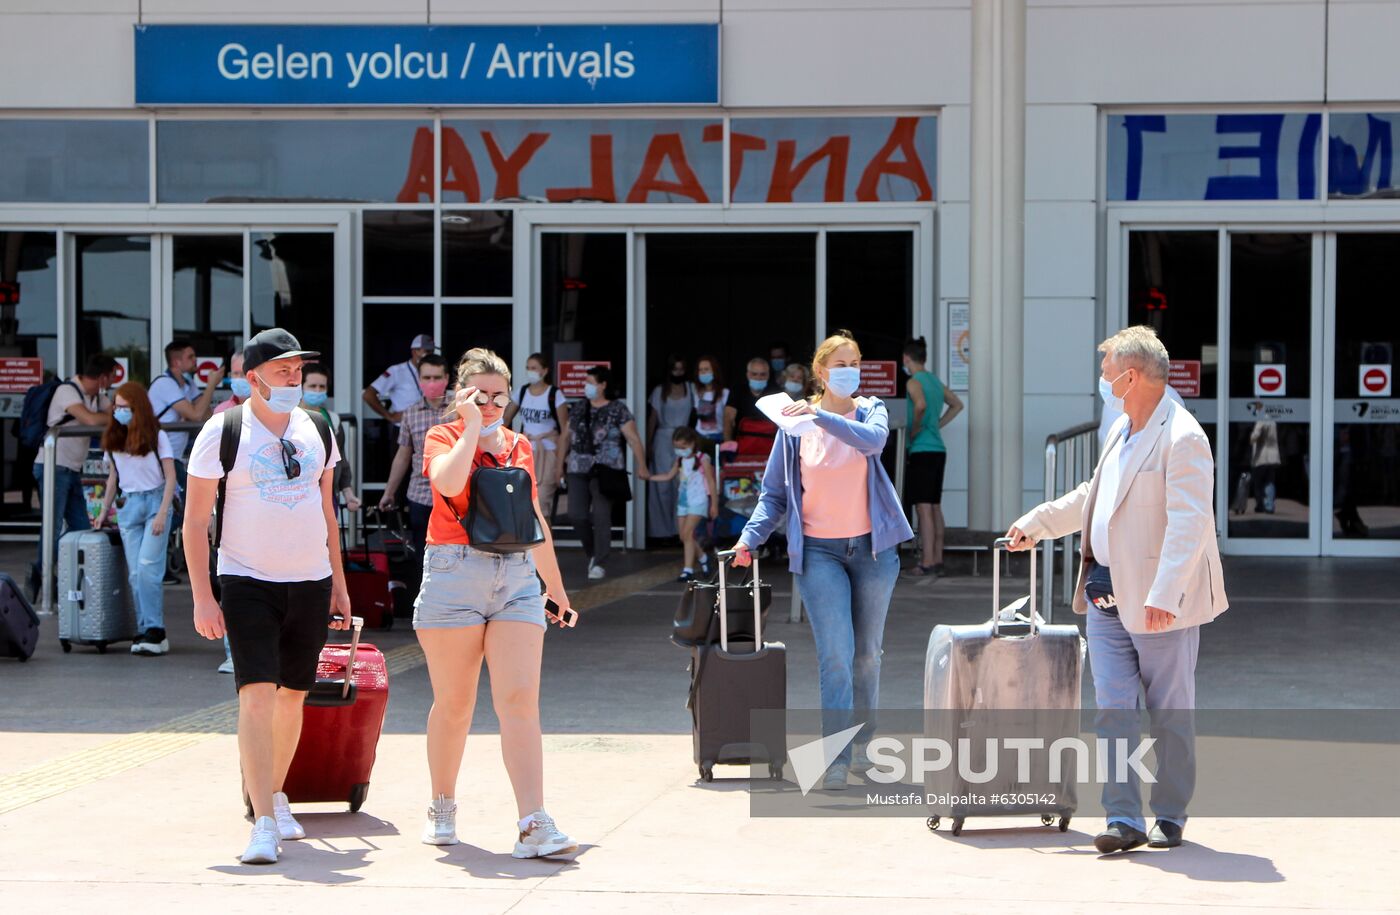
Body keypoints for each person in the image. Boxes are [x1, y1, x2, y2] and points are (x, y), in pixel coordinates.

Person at [1005, 325, 1228, 855]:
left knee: (1169, 713)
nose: (1102, 381)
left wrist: (1165, 594)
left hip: (1158, 605)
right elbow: (1094, 495)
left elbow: (1190, 524)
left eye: (1107, 372)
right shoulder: (1121, 429)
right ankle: (1122, 817)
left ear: (1131, 377)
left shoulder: (1183, 437)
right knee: (1114, 711)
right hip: (1105, 597)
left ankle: (1169, 815)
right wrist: (1038, 523)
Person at [183, 328, 352, 866]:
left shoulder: (318, 427)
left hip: (310, 580)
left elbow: (328, 512)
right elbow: (194, 522)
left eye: (298, 370)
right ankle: (261, 821)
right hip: (246, 580)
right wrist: (203, 597)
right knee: (256, 694)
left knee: (293, 696)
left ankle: (275, 795)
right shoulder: (223, 430)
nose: (294, 379)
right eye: (283, 371)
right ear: (252, 378)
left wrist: (340, 583)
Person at [728, 332, 913, 791]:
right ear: (821, 372)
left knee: (866, 656)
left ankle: (863, 745)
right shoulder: (793, 424)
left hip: (873, 551)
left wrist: (819, 417)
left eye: (855, 363)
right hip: (818, 552)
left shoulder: (870, 410)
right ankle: (836, 757)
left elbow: (873, 442)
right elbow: (774, 494)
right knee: (835, 656)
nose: (850, 371)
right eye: (840, 364)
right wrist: (749, 539)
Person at [414, 347, 578, 857]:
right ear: (460, 395)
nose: (489, 404)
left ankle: (533, 822)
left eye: (498, 396)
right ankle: (442, 804)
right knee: (455, 704)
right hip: (454, 573)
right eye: (478, 395)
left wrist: (556, 588)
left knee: (519, 700)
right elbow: (447, 482)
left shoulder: (519, 445)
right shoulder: (443, 436)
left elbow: (533, 518)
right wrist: (470, 428)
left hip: (516, 578)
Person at [93, 382, 177, 656]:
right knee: (135, 574)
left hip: (155, 502)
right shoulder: (114, 438)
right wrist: (103, 511)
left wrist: (162, 512)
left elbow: (171, 477)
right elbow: (113, 477)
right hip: (128, 505)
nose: (119, 411)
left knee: (148, 568)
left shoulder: (156, 436)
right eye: (116, 406)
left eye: (125, 407)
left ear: (137, 408)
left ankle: (155, 630)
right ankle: (144, 629)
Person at [29, 353, 117, 600]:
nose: (112, 383)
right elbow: (89, 419)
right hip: (53, 467)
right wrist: (110, 416)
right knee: (53, 526)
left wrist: (111, 413)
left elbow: (111, 412)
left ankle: (69, 580)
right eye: (112, 377)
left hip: (72, 470)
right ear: (102, 377)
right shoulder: (67, 391)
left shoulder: (96, 397)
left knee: (82, 528)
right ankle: (42, 576)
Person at [559, 365, 649, 581]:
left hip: (606, 470)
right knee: (576, 514)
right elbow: (565, 437)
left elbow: (633, 438)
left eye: (590, 383)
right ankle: (593, 552)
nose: (586, 386)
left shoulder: (618, 409)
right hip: (577, 467)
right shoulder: (579, 407)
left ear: (603, 385)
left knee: (601, 516)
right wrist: (558, 467)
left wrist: (642, 465)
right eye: (586, 382)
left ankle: (600, 561)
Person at [149, 340, 226, 551]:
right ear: (176, 362)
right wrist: (211, 385)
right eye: (190, 357)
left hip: (173, 456)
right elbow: (196, 414)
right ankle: (164, 548)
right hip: (159, 457)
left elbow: (206, 414)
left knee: (188, 505)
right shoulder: (165, 384)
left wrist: (197, 405)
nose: (195, 361)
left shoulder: (188, 384)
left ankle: (171, 549)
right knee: (182, 507)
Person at [901, 337, 963, 577]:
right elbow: (957, 404)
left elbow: (920, 405)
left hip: (922, 449)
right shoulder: (935, 381)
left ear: (907, 358)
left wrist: (916, 429)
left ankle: (926, 562)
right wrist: (937, 424)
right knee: (935, 505)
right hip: (938, 449)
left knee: (923, 507)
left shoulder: (914, 381)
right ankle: (937, 558)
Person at [381, 353, 452, 559]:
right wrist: (389, 492)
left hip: (454, 494)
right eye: (427, 378)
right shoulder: (411, 413)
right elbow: (403, 455)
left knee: (454, 554)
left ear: (446, 378)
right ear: (419, 380)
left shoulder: (459, 409)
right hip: (420, 494)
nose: (432, 383)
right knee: (422, 556)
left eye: (437, 377)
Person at [363, 333, 436, 500]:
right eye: (426, 351)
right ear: (414, 351)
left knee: (427, 473)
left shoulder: (433, 371)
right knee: (400, 476)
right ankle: (396, 513)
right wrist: (388, 415)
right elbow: (368, 394)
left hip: (428, 429)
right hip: (402, 430)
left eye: (431, 351)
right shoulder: (397, 371)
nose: (429, 354)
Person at [502, 353, 569, 526]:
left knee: (542, 506)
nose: (530, 371)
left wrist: (560, 465)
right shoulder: (522, 392)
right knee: (524, 505)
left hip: (548, 454)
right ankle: (530, 543)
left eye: (534, 368)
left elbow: (565, 430)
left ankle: (546, 543)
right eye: (528, 368)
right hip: (525, 454)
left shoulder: (554, 395)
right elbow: (505, 420)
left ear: (544, 371)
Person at [214, 352, 249, 673]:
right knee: (232, 584)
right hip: (230, 513)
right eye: (234, 373)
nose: (239, 379)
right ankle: (233, 653)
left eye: (243, 372)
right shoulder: (222, 416)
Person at [648, 427, 719, 581]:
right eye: (677, 447)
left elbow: (711, 482)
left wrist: (714, 504)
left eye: (683, 446)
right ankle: (703, 557)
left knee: (687, 533)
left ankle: (688, 570)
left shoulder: (703, 459)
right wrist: (649, 477)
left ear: (693, 443)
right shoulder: (680, 460)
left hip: (698, 501)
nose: (680, 450)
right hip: (683, 501)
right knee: (683, 536)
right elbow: (668, 476)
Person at [646, 354, 694, 540]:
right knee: (662, 487)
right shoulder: (659, 391)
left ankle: (680, 530)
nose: (678, 373)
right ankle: (662, 531)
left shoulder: (690, 389)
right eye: (675, 369)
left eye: (681, 369)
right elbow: (653, 419)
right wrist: (649, 443)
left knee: (682, 484)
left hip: (684, 438)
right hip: (663, 438)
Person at [302, 363, 362, 513]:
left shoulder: (333, 420)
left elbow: (341, 459)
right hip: (297, 496)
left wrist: (348, 494)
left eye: (322, 387)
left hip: (327, 495)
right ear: (300, 387)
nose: (317, 390)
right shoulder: (288, 418)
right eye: (312, 386)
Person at [723, 357, 780, 444]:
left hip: (768, 443)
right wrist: (728, 443)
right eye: (754, 374)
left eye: (763, 374)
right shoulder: (738, 390)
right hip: (741, 444)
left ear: (768, 375)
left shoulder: (776, 392)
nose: (758, 377)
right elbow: (728, 418)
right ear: (748, 374)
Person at [691, 355, 729, 447]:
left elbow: (727, 419)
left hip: (718, 438)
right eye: (701, 370)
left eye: (706, 369)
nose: (703, 372)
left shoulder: (725, 393)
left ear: (714, 371)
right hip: (700, 437)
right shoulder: (696, 392)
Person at [213, 351, 249, 415]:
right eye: (235, 373)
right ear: (230, 375)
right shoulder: (221, 411)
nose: (239, 378)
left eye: (244, 373)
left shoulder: (265, 409)